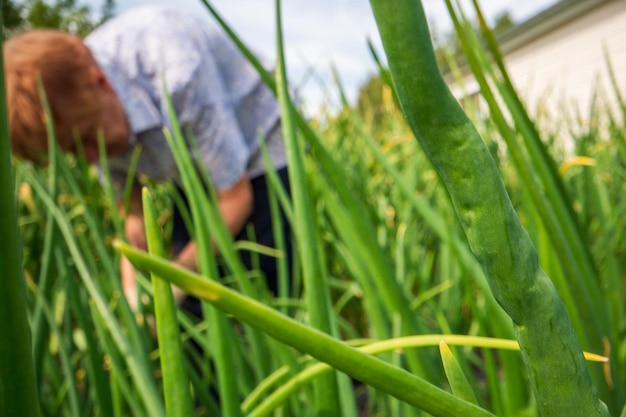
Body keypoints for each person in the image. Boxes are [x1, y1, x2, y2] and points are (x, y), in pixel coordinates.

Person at [4, 5, 293, 310]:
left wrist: (174, 279)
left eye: (88, 138)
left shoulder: (177, 73)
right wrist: (133, 295)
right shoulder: (82, 110)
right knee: (192, 295)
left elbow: (235, 198)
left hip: (257, 134)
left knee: (263, 273)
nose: (91, 157)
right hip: (189, 161)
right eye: (72, 151)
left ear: (101, 82)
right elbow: (131, 214)